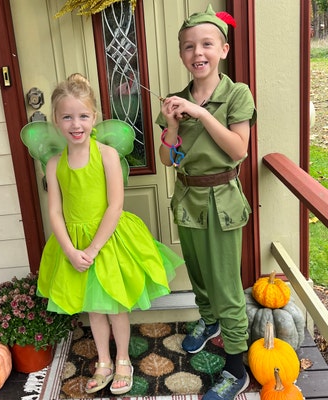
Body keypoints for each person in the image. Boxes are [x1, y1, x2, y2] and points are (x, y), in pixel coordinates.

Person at [37, 73, 183, 395]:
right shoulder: (53, 164)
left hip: (108, 240)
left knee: (116, 306)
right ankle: (103, 360)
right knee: (95, 308)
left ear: (94, 117)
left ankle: (122, 360)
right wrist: (71, 251)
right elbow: (55, 213)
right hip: (74, 245)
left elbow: (115, 205)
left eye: (83, 116)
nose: (76, 124)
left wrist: (93, 247)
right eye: (67, 117)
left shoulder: (106, 155)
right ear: (56, 121)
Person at [155, 5, 257, 400]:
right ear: (181, 54)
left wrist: (201, 112)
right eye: (188, 46)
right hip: (187, 197)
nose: (197, 52)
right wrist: (175, 124)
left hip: (221, 201)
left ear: (223, 49)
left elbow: (239, 149)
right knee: (198, 274)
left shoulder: (237, 94)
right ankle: (208, 321)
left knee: (227, 286)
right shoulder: (177, 100)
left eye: (206, 44)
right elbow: (168, 159)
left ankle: (237, 370)